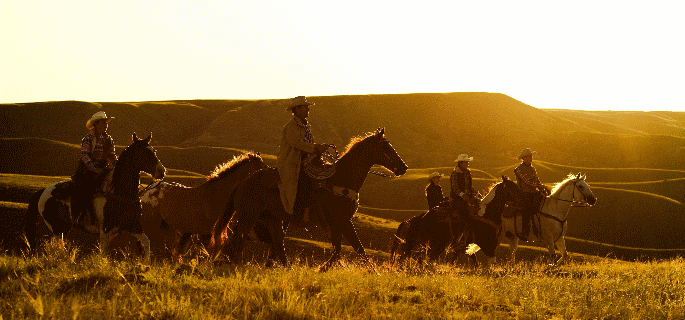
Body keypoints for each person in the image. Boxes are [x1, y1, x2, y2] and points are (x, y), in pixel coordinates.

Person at [277, 96, 330, 227]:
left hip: (306, 161)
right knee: (306, 182)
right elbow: (295, 143)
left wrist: (318, 148)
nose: (307, 109)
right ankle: (303, 216)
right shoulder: (291, 126)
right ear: (297, 109)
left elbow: (307, 144)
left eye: (307, 107)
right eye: (304, 107)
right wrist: (315, 147)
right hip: (292, 163)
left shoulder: (305, 126)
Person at [71, 111, 117, 225]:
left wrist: (117, 166)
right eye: (103, 122)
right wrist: (95, 169)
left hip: (104, 169)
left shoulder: (108, 139)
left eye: (106, 122)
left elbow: (111, 155)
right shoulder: (88, 138)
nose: (106, 125)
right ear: (96, 124)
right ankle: (80, 215)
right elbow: (85, 156)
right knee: (86, 189)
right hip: (88, 170)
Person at [513, 148, 550, 240]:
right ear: (523, 158)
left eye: (531, 156)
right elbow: (528, 181)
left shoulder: (533, 168)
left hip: (534, 192)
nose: (530, 158)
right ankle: (525, 232)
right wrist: (539, 185)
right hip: (524, 193)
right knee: (527, 211)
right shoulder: (518, 169)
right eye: (528, 157)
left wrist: (542, 187)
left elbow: (537, 180)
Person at [449, 154, 479, 240]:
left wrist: (476, 193)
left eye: (468, 162)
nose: (468, 164)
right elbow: (455, 189)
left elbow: (470, 187)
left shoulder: (468, 173)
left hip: (467, 197)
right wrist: (463, 196)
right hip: (457, 199)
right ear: (461, 163)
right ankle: (460, 234)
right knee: (463, 212)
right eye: (466, 162)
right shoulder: (454, 174)